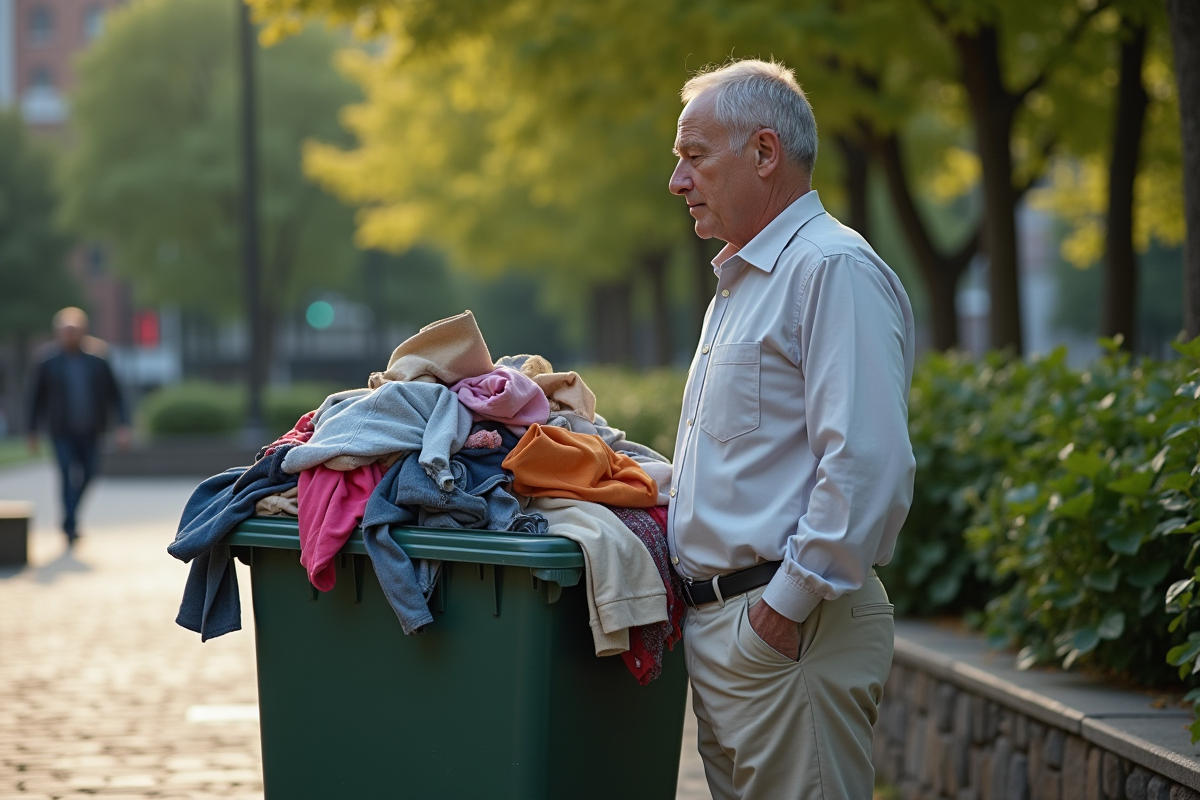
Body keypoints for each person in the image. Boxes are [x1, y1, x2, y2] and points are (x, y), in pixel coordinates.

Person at [666, 60, 916, 799]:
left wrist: (784, 609)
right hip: (738, 633)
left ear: (765, 153)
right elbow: (744, 464)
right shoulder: (742, 283)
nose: (678, 181)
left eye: (694, 156)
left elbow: (867, 463)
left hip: (786, 630)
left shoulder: (831, 268)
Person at [26, 308, 130, 546]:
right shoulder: (47, 362)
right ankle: (70, 524)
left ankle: (70, 516)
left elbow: (115, 395)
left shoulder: (98, 360)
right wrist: (31, 430)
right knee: (65, 473)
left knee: (90, 473)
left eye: (74, 330)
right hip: (61, 431)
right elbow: (35, 398)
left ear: (83, 331)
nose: (70, 335)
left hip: (91, 430)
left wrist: (123, 425)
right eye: (66, 331)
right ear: (58, 332)